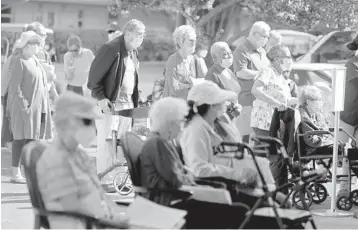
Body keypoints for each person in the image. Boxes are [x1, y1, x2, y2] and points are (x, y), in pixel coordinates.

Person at [139, 97, 251, 229]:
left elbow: (176, 174)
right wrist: (194, 178)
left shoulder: (158, 142)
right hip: (170, 202)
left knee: (235, 203)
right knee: (240, 211)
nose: (182, 127)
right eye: (181, 122)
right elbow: (177, 179)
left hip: (171, 198)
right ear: (170, 123)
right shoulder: (159, 144)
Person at [35, 92, 129, 229]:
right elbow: (72, 208)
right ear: (67, 123)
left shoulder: (78, 154)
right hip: (84, 223)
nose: (93, 128)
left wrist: (119, 213)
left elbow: (98, 194)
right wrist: (114, 219)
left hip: (99, 218)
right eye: (87, 122)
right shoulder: (56, 160)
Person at [87, 19, 145, 191]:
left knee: (122, 144)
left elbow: (132, 80)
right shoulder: (111, 49)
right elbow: (92, 80)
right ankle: (104, 180)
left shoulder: (133, 52)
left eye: (143, 35)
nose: (141, 38)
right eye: (138, 35)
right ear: (127, 34)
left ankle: (119, 180)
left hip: (127, 106)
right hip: (109, 105)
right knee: (106, 143)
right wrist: (101, 98)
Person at [6, 31, 53, 183]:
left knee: (32, 140)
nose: (37, 47)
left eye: (38, 44)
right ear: (26, 45)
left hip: (37, 108)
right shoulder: (19, 60)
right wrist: (25, 105)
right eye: (34, 44)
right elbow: (14, 87)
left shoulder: (34, 60)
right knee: (20, 140)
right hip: (23, 108)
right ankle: (15, 173)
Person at [233, 21, 271, 140]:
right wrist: (261, 74)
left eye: (267, 37)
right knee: (245, 138)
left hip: (262, 103)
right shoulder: (242, 50)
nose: (266, 39)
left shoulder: (262, 51)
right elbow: (241, 72)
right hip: (247, 102)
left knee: (258, 140)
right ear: (254, 34)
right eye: (264, 36)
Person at [250, 45, 298, 138]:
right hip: (264, 122)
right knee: (267, 151)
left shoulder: (280, 77)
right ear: (276, 59)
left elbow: (285, 101)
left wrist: (301, 99)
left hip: (275, 122)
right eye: (288, 57)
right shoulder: (267, 71)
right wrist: (276, 103)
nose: (290, 60)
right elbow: (255, 90)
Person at [205, 41, 242, 125]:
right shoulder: (212, 75)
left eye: (230, 53)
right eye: (225, 54)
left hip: (233, 118)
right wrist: (231, 106)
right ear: (215, 58)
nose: (229, 56)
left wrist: (237, 106)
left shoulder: (229, 71)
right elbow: (211, 100)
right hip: (220, 120)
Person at [163, 25, 197, 99]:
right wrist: (190, 86)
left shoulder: (191, 59)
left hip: (187, 103)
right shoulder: (172, 60)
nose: (194, 43)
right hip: (172, 105)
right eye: (191, 40)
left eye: (195, 40)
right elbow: (174, 87)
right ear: (180, 43)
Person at [1, 40, 21, 148]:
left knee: (7, 120)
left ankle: (4, 143)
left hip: (5, 93)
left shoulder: (10, 58)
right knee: (8, 120)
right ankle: (6, 143)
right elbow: (11, 80)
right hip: (8, 94)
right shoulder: (14, 59)